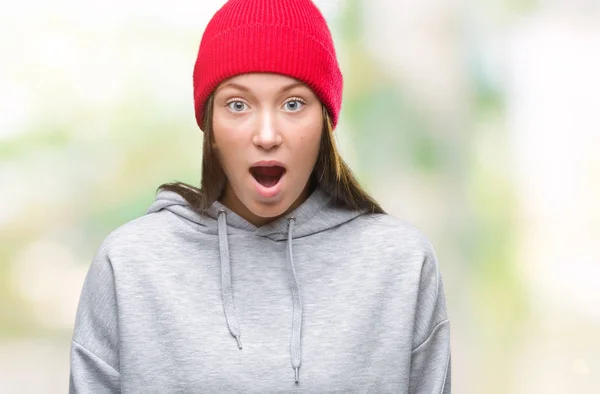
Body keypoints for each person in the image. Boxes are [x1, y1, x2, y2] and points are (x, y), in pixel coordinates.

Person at [69, 0, 452, 392]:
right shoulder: (131, 263)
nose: (267, 135)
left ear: (324, 122)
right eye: (238, 105)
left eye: (293, 103)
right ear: (211, 128)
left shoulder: (400, 264)